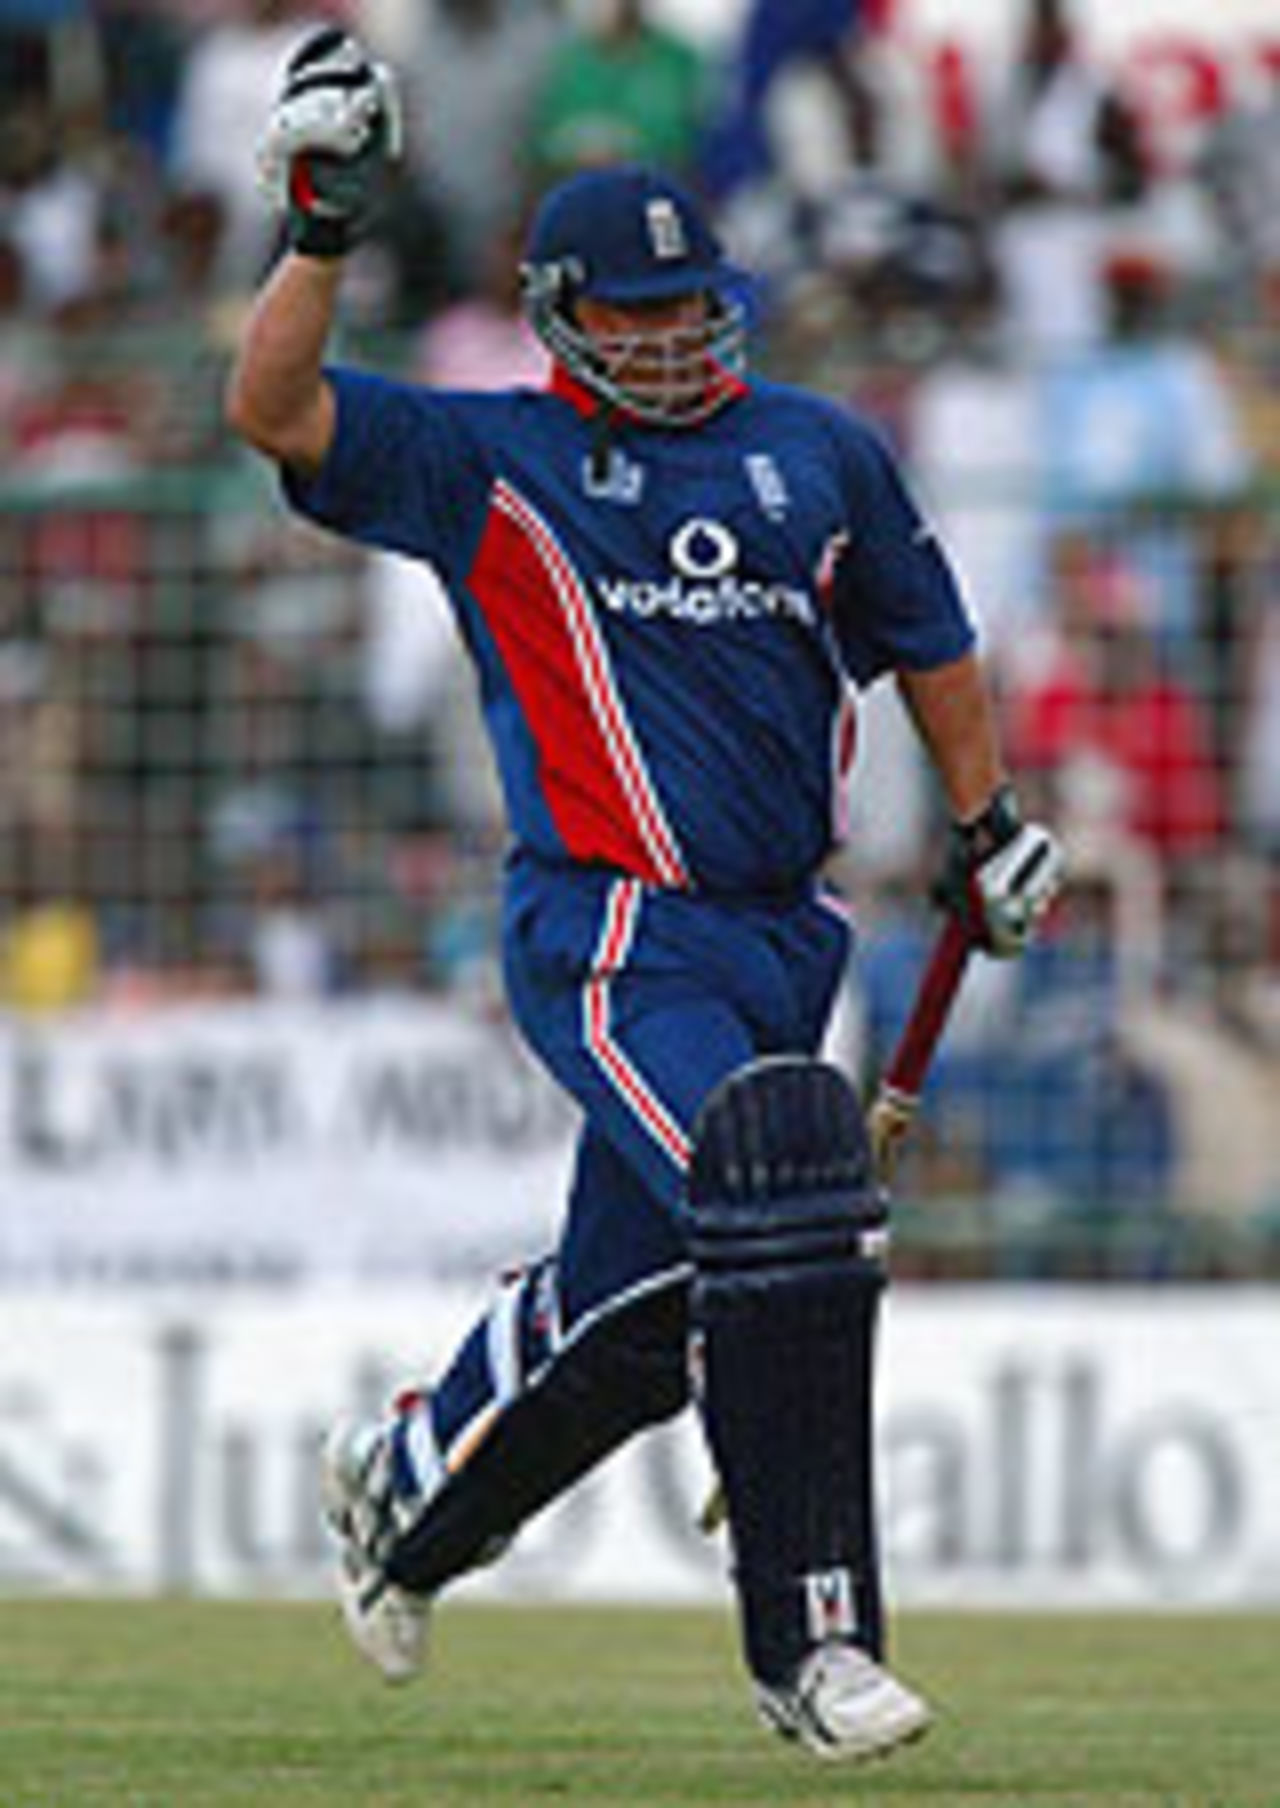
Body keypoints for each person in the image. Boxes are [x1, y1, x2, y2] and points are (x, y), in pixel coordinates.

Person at [226, 29, 1064, 1765]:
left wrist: (989, 826)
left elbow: (931, 641)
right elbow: (275, 412)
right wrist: (323, 234)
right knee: (785, 1187)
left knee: (643, 1316)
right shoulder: (491, 462)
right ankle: (812, 1643)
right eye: (633, 318)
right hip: (611, 931)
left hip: (782, 936)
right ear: (559, 318)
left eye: (691, 313)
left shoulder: (821, 452)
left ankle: (409, 1487)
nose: (671, 341)